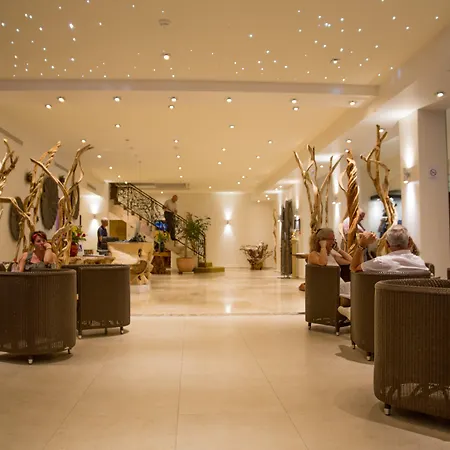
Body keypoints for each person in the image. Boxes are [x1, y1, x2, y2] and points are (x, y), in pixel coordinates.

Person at [337, 225, 429, 320]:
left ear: (387, 244)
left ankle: (353, 312)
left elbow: (354, 267)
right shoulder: (420, 263)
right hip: (415, 312)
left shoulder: (381, 262)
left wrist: (362, 245)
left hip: (384, 312)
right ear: (409, 242)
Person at [308, 228, 352, 301]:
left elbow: (350, 261)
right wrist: (323, 247)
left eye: (334, 239)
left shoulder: (331, 255)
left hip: (339, 285)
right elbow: (323, 262)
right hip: (329, 288)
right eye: (331, 239)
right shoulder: (313, 254)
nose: (333, 242)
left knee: (356, 287)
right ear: (321, 241)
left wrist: (339, 250)